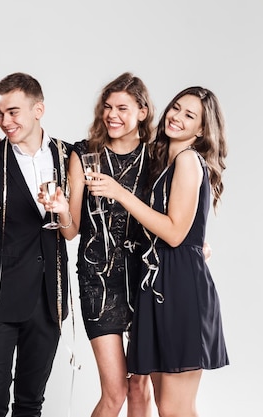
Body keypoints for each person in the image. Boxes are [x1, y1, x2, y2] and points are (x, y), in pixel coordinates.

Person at [85, 86, 229, 416]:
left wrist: (120, 193)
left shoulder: (189, 160)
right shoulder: (169, 162)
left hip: (179, 289)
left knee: (176, 410)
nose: (176, 117)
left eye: (189, 115)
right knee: (167, 407)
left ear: (203, 129)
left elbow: (176, 234)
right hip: (161, 286)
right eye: (176, 108)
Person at [40, 72, 154, 417]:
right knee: (115, 391)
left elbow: (174, 210)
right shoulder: (84, 153)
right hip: (98, 281)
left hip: (145, 278)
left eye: (122, 107)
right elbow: (71, 231)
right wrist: (60, 211)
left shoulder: (156, 157)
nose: (112, 115)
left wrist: (198, 241)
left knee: (140, 388)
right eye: (107, 107)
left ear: (142, 112)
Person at [0, 72, 72, 417]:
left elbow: (70, 229)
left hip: (49, 299)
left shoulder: (68, 157)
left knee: (31, 403)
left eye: (13, 112)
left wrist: (64, 210)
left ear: (38, 109)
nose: (4, 121)